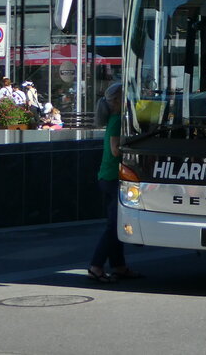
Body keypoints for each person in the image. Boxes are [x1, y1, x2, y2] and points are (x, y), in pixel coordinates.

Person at [88, 82, 142, 282]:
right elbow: (115, 149)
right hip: (114, 177)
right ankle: (96, 266)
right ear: (118, 100)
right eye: (126, 95)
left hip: (108, 176)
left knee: (117, 223)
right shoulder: (118, 120)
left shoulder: (115, 119)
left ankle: (119, 266)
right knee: (114, 226)